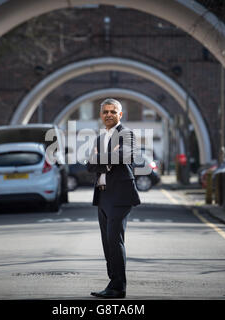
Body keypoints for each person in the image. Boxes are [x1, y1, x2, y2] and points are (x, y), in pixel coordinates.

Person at [87, 98, 141, 299]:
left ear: (120, 114)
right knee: (106, 242)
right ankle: (112, 282)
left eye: (113, 111)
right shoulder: (99, 138)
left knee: (114, 239)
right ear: (101, 115)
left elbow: (125, 157)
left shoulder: (126, 134)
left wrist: (100, 158)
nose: (108, 114)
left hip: (120, 195)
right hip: (102, 195)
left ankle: (119, 287)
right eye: (105, 112)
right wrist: (107, 159)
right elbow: (89, 165)